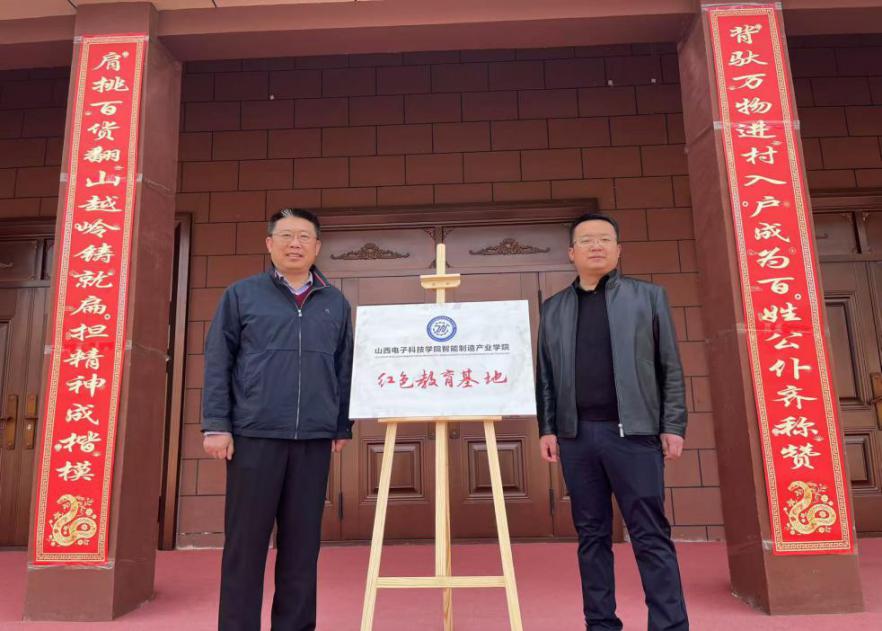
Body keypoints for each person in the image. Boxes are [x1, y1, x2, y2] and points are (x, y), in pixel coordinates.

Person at [202, 207, 353, 631]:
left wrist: (341, 424)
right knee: (245, 546)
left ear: (317, 247)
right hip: (254, 436)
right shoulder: (242, 295)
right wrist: (217, 425)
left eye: (304, 237)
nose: (295, 244)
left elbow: (344, 367)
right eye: (285, 235)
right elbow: (218, 361)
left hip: (313, 440)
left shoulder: (335, 302)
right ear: (269, 244)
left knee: (302, 547)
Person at [536, 212, 689, 630]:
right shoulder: (554, 309)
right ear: (572, 253)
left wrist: (673, 424)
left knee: (650, 534)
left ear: (619, 250)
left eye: (605, 239)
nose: (596, 246)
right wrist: (548, 427)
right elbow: (545, 375)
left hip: (634, 434)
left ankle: (670, 625)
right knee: (591, 536)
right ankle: (601, 623)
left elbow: (670, 366)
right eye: (586, 240)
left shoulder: (648, 298)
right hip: (577, 437)